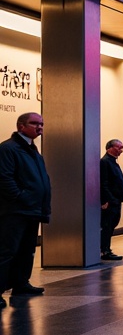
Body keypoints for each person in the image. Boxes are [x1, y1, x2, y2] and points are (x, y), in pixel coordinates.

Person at [0, 112, 51, 306]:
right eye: (35, 123)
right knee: (7, 250)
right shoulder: (9, 149)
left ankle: (21, 283)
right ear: (21, 126)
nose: (40, 127)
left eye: (41, 124)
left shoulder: (32, 150)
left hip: (32, 209)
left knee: (26, 249)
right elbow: (4, 178)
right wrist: (20, 197)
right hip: (16, 210)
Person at [99, 138, 123, 260]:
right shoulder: (105, 162)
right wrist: (108, 200)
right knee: (107, 226)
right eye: (119, 147)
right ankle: (104, 250)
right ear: (110, 148)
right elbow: (104, 183)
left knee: (111, 225)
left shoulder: (113, 162)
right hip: (111, 202)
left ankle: (106, 248)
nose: (121, 150)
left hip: (116, 200)